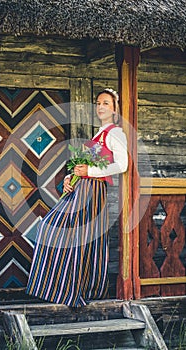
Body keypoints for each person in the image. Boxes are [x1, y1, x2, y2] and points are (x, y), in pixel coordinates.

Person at [26, 88, 128, 307]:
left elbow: (122, 165)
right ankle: (57, 287)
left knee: (77, 237)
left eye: (106, 103)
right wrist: (71, 177)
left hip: (93, 191)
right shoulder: (98, 134)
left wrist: (89, 173)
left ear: (114, 108)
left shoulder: (116, 133)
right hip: (81, 188)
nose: (101, 106)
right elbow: (86, 164)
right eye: (98, 102)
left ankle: (75, 289)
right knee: (51, 227)